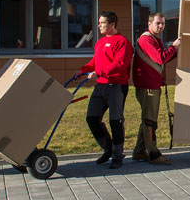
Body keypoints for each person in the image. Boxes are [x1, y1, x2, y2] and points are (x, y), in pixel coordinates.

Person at [77, 11, 133, 169]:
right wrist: (82, 70)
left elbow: (119, 64)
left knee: (116, 121)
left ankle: (117, 155)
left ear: (112, 25)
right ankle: (108, 148)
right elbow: (95, 61)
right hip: (100, 86)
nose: (99, 25)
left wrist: (99, 73)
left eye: (102, 23)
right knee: (92, 118)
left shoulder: (123, 42)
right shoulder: (100, 43)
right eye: (99, 22)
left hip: (116, 86)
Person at [132, 11, 180, 165]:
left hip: (151, 84)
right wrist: (174, 47)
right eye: (158, 23)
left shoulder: (154, 39)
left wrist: (175, 51)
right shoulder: (147, 39)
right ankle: (152, 153)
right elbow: (160, 58)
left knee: (147, 118)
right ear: (149, 24)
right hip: (148, 86)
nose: (161, 26)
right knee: (150, 121)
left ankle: (139, 151)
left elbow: (162, 60)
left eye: (162, 23)